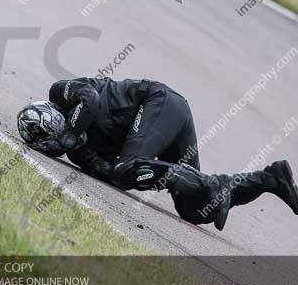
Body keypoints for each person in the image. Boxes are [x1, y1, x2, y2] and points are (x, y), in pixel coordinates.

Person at [17, 77, 298, 230]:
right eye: (42, 137)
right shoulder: (79, 152)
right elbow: (111, 176)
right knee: (195, 209)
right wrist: (75, 144)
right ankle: (269, 179)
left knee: (128, 166)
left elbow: (90, 99)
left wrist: (70, 135)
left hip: (159, 102)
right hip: (162, 129)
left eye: (45, 126)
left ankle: (215, 184)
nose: (49, 135)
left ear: (49, 109)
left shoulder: (61, 92)